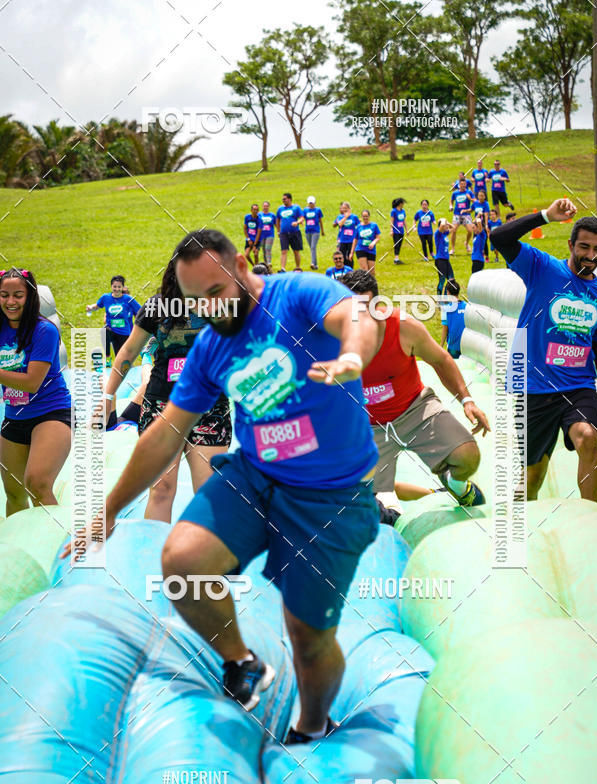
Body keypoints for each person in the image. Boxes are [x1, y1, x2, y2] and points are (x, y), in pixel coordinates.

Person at [65, 229, 381, 745]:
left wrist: (352, 355)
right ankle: (242, 661)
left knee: (307, 637)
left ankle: (313, 723)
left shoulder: (297, 293)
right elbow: (166, 432)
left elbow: (357, 316)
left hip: (332, 495)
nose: (209, 309)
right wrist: (109, 510)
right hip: (257, 478)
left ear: (241, 263)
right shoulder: (211, 346)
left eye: (215, 292)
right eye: (195, 301)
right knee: (182, 563)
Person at [340, 269, 490, 510]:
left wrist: (467, 400)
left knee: (468, 456)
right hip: (367, 428)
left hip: (415, 409)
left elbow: (441, 360)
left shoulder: (403, 327)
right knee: (357, 502)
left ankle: (458, 487)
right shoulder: (327, 339)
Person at [97, 261, 231, 522]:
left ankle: (208, 561)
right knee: (160, 489)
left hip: (210, 408)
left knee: (210, 493)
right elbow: (127, 353)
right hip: (161, 406)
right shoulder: (156, 307)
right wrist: (107, 396)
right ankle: (154, 559)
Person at [490, 198, 597, 502]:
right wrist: (545, 216)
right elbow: (499, 238)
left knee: (589, 438)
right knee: (533, 475)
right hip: (533, 387)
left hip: (578, 385)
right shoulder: (542, 268)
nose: (591, 256)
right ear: (570, 244)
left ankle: (590, 524)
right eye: (585, 247)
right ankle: (521, 533)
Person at [0, 268, 72, 515]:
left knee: (38, 484)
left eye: (18, 295)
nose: (10, 302)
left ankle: (58, 549)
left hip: (51, 413)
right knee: (13, 493)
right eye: (4, 295)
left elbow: (32, 382)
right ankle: (17, 551)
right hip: (14, 417)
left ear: (30, 297)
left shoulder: (45, 330)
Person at [86, 276, 141, 366]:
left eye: (119, 287)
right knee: (104, 331)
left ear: (122, 287)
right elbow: (97, 306)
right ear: (111, 286)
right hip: (112, 331)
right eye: (114, 286)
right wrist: (90, 308)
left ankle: (127, 371)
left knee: (121, 359)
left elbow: (140, 310)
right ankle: (107, 358)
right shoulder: (106, 298)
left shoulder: (128, 299)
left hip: (124, 333)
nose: (116, 289)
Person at [276, 192, 304, 272]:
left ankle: (297, 267)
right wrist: (278, 231)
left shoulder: (296, 208)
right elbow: (277, 219)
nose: (283, 200)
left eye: (285, 199)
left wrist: (297, 222)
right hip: (284, 233)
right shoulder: (280, 209)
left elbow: (302, 218)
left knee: (296, 251)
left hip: (294, 232)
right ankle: (283, 268)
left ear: (290, 199)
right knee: (284, 250)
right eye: (282, 199)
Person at [440, 280, 466, 359]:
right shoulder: (467, 306)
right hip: (467, 345)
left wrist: (440, 346)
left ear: (448, 292)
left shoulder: (446, 308)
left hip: (453, 347)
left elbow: (445, 329)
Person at [449, 178, 475, 254]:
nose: (463, 185)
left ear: (466, 185)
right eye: (461, 184)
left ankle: (466, 243)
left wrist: (469, 198)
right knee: (453, 230)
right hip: (457, 214)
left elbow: (475, 201)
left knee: (470, 231)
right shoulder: (455, 193)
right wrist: (451, 206)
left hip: (466, 215)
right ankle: (453, 249)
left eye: (464, 184)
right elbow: (451, 200)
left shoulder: (469, 192)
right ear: (459, 185)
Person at [333, 202, 359, 268]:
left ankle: (350, 271)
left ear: (349, 209)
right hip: (342, 240)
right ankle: (343, 271)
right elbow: (340, 224)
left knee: (349, 257)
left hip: (351, 240)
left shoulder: (354, 217)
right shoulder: (340, 217)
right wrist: (346, 217)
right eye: (343, 208)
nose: (344, 210)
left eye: (346, 208)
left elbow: (359, 226)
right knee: (342, 257)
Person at [434, 219, 456, 294]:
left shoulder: (445, 234)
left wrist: (448, 223)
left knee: (451, 279)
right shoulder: (438, 234)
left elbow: (453, 228)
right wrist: (443, 221)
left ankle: (446, 297)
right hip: (440, 260)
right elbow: (442, 225)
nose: (447, 226)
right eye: (445, 225)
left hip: (446, 260)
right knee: (442, 279)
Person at [303, 196, 325, 270]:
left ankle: (312, 263)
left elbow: (320, 221)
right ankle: (315, 265)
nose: (311, 204)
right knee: (312, 248)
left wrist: (322, 231)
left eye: (312, 203)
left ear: (315, 203)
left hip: (315, 231)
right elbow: (303, 218)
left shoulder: (318, 210)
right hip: (308, 231)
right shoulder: (305, 210)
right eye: (310, 203)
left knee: (313, 247)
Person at [472, 189, 491, 261]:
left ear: (485, 197)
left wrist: (486, 225)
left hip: (482, 224)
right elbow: (471, 209)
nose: (480, 197)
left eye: (482, 195)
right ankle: (477, 252)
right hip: (476, 224)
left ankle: (486, 256)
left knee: (484, 240)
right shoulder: (475, 203)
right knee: (475, 239)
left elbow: (486, 215)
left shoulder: (486, 204)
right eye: (479, 195)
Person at [258, 201, 276, 267]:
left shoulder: (272, 215)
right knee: (263, 250)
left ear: (269, 207)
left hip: (270, 234)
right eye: (264, 206)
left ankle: (269, 262)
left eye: (267, 206)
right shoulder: (259, 215)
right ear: (262, 207)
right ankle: (266, 265)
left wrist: (279, 232)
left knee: (267, 248)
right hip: (261, 235)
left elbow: (276, 224)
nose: (265, 207)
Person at [390, 197, 406, 264]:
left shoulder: (403, 211)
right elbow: (392, 221)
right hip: (396, 230)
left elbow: (404, 221)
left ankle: (397, 258)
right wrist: (391, 230)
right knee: (396, 244)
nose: (403, 204)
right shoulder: (393, 211)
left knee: (399, 244)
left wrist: (406, 229)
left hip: (401, 231)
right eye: (403, 203)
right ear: (400, 204)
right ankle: (396, 259)